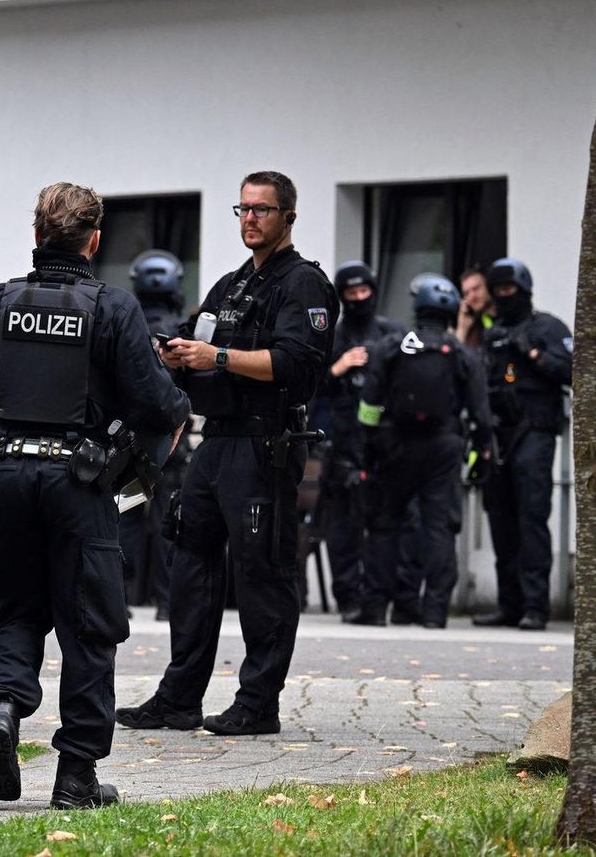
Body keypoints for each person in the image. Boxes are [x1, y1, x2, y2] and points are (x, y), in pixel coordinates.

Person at [0, 182, 190, 810]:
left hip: (11, 479)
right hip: (82, 482)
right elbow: (156, 403)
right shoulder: (114, 309)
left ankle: (5, 712)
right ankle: (76, 776)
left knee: (17, 608)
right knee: (90, 626)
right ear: (93, 240)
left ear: (36, 236)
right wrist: (171, 423)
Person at [118, 170, 337, 736]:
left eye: (261, 210)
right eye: (242, 210)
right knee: (190, 565)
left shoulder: (304, 284)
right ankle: (178, 698)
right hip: (214, 441)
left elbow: (294, 363)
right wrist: (172, 354)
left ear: (288, 216)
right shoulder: (231, 284)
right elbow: (195, 337)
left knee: (263, 572)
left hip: (265, 443)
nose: (250, 219)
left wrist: (214, 358)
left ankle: (258, 703)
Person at [351, 275, 492, 628]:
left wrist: (371, 444)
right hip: (443, 447)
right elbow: (480, 412)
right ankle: (434, 612)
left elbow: (368, 405)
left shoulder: (390, 345)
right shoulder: (460, 352)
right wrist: (481, 448)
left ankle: (374, 609)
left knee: (385, 528)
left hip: (394, 445)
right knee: (439, 529)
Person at [473, 258, 573, 631]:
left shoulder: (547, 327)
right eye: (497, 290)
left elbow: (573, 369)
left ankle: (535, 607)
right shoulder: (492, 333)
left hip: (535, 433)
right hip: (498, 437)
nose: (502, 296)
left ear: (524, 290)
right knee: (501, 521)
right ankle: (508, 604)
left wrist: (533, 353)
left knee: (532, 519)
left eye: (508, 290)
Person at [316, 261, 403, 617]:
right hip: (341, 443)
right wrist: (338, 368)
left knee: (386, 526)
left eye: (363, 292)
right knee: (344, 527)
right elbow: (308, 387)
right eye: (351, 294)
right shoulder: (331, 338)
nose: (358, 299)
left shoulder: (389, 333)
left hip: (384, 445)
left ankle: (381, 600)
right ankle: (348, 598)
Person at [124, 248, 195, 621]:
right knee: (168, 521)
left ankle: (119, 597)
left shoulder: (127, 329)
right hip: (170, 448)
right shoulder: (181, 334)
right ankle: (167, 605)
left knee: (126, 520)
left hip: (130, 449)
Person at [457, 267, 496, 350]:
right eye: (466, 293)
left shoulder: (508, 317)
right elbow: (456, 357)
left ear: (488, 287)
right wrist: (462, 328)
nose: (472, 297)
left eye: (476, 289)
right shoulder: (472, 329)